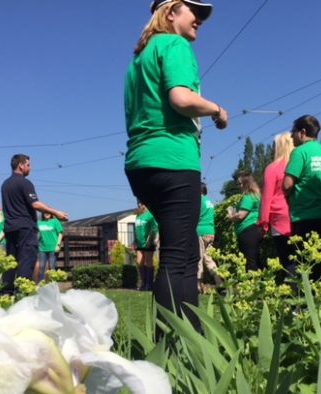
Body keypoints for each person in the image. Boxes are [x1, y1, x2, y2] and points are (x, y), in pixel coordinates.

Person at [124, 0, 228, 334]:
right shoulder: (174, 44)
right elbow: (181, 99)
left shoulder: (139, 60)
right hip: (173, 159)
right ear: (171, 13)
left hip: (141, 163)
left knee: (175, 252)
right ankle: (179, 346)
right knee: (181, 258)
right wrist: (216, 109)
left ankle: (176, 342)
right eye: (193, 11)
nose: (199, 18)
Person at [1, 154, 68, 295]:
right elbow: (35, 203)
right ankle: (22, 292)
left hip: (10, 228)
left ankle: (5, 293)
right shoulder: (25, 183)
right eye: (28, 165)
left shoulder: (5, 184)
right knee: (27, 260)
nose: (30, 168)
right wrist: (56, 212)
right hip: (25, 228)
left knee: (11, 261)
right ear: (21, 165)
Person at [283, 115, 321, 274]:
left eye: (293, 131)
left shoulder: (300, 152)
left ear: (302, 132)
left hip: (304, 216)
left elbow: (287, 184)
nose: (291, 136)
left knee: (305, 264)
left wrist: (287, 197)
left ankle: (307, 297)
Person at [258, 132, 293, 268]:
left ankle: (293, 287)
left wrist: (264, 223)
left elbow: (267, 197)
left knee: (286, 258)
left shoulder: (272, 168)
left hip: (279, 218)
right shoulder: (297, 164)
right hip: (297, 214)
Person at [228, 173, 261, 271]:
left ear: (246, 184)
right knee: (256, 259)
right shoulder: (256, 196)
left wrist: (231, 216)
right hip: (254, 229)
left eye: (240, 183)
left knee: (250, 260)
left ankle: (252, 284)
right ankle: (262, 282)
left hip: (248, 230)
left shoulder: (248, 197)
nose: (239, 186)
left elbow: (241, 215)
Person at [197, 182, 223, 292]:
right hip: (211, 232)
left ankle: (197, 286)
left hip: (200, 232)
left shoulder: (198, 201)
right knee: (208, 259)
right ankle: (220, 282)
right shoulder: (210, 202)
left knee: (198, 258)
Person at [133, 201, 158, 291]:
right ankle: (144, 283)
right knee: (139, 262)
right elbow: (136, 229)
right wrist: (135, 240)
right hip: (139, 243)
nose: (139, 205)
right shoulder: (138, 215)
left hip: (148, 243)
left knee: (148, 262)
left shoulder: (150, 215)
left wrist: (151, 239)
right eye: (138, 203)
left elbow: (155, 228)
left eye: (141, 203)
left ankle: (149, 284)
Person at [37, 212, 64, 282]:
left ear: (51, 214)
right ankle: (41, 285)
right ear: (42, 214)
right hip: (42, 248)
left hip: (53, 248)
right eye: (45, 212)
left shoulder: (55, 221)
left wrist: (58, 245)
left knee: (52, 267)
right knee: (41, 267)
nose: (46, 214)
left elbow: (60, 233)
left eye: (48, 212)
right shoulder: (39, 223)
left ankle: (53, 284)